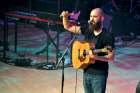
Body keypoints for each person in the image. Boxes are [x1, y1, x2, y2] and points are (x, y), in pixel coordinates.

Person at [60, 8, 115, 93]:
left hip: (99, 75)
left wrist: (95, 57)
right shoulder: (88, 30)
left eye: (95, 17)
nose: (91, 19)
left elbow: (111, 57)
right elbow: (68, 26)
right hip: (86, 70)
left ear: (102, 18)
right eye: (90, 16)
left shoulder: (107, 36)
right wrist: (65, 17)